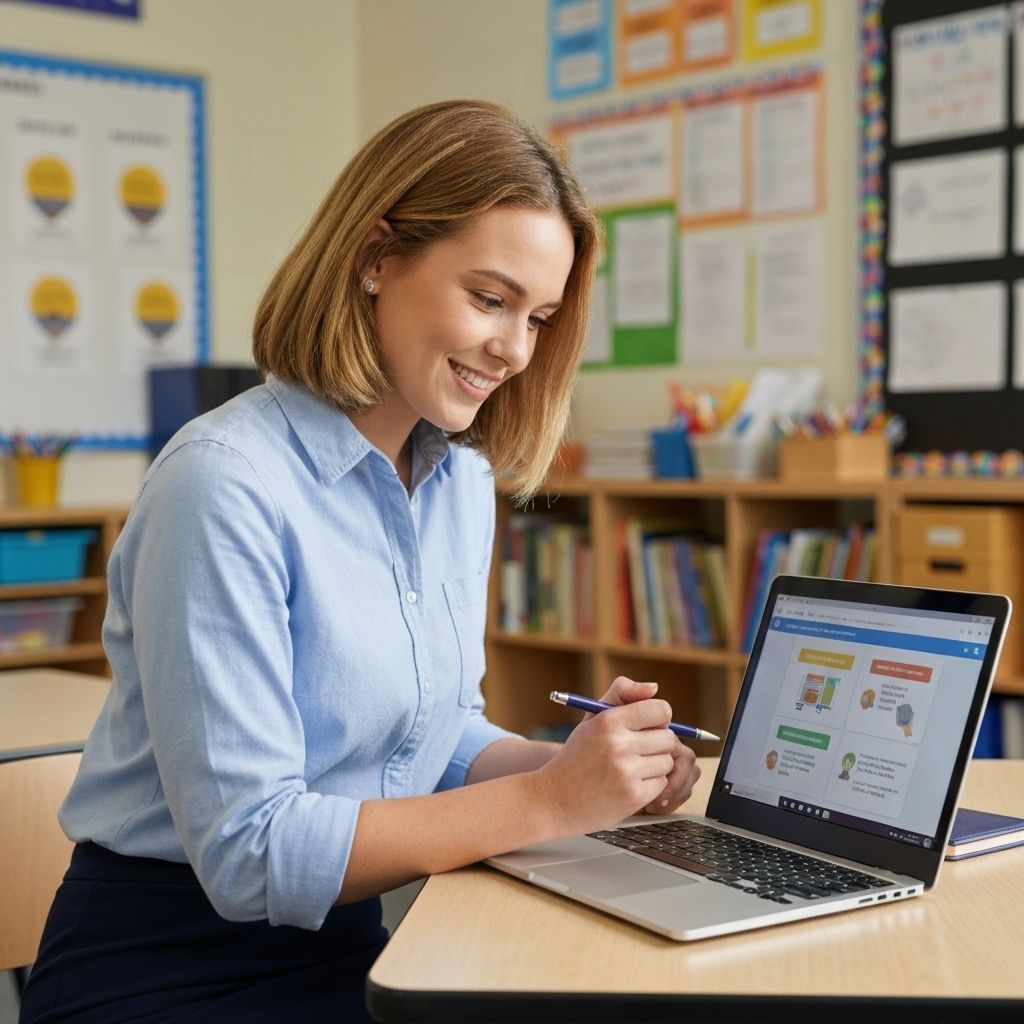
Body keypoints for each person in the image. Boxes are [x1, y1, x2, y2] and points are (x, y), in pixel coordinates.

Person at [20, 99, 700, 1024]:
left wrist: (594, 773)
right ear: (376, 257)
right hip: (162, 969)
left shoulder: (454, 476)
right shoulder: (221, 484)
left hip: (354, 947)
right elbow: (251, 854)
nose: (514, 349)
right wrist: (549, 800)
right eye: (489, 299)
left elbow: (433, 735)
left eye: (539, 317)